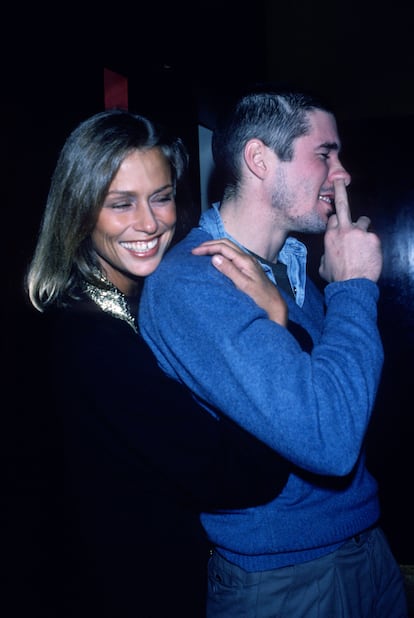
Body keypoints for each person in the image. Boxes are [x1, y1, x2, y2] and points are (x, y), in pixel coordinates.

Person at [139, 89, 408, 616]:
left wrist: (335, 289)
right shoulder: (192, 282)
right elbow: (330, 438)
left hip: (367, 548)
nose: (342, 173)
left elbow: (345, 397)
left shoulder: (297, 268)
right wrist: (354, 289)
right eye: (325, 154)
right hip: (286, 580)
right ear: (260, 160)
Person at [24, 108, 291, 617]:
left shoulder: (132, 304)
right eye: (120, 204)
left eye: (161, 197)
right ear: (78, 211)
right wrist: (272, 326)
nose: (149, 223)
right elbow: (238, 478)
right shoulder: (91, 338)